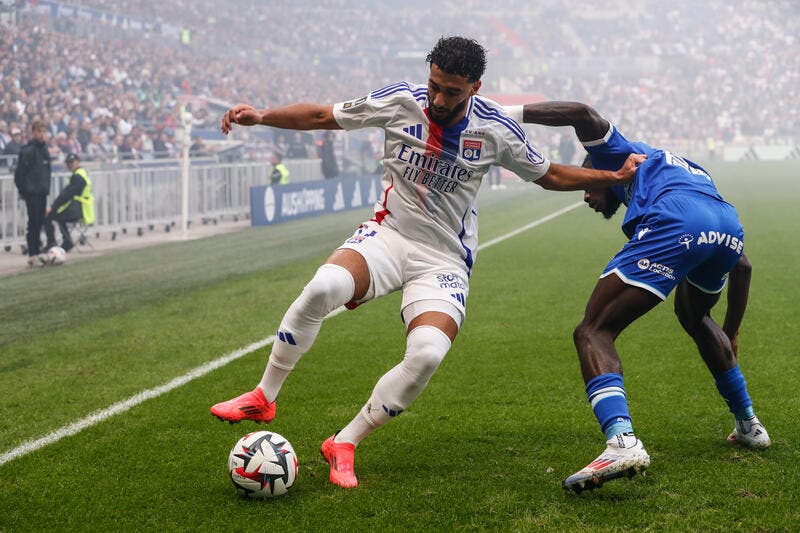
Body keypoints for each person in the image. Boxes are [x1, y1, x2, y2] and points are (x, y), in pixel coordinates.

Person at [211, 37, 642, 489]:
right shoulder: (400, 101)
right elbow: (323, 116)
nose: (438, 99)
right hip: (388, 236)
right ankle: (264, 395)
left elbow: (550, 174)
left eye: (451, 92)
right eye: (434, 85)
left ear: (475, 86)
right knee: (322, 287)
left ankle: (345, 442)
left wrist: (611, 177)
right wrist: (260, 116)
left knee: (427, 354)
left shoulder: (495, 129)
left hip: (443, 260)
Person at [511, 100, 770, 493]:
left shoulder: (620, 153)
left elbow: (582, 113)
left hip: (677, 221)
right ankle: (749, 423)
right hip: (726, 227)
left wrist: (500, 109)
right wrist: (732, 333)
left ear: (600, 169)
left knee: (593, 331)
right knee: (695, 317)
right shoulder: (678, 169)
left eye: (587, 181)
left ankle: (621, 442)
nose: (585, 193)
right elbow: (744, 267)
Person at [14, 120, 52, 266]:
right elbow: (19, 175)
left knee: (39, 222)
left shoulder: (45, 150)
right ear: (33, 132)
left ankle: (38, 251)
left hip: (42, 192)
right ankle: (33, 254)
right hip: (32, 193)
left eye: (44, 131)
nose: (42, 134)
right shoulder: (27, 151)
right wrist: (25, 191)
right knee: (34, 223)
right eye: (39, 131)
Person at [43, 153, 94, 253]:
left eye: (72, 162)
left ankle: (54, 243)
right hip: (79, 208)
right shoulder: (80, 174)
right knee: (56, 215)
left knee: (49, 216)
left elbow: (66, 196)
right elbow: (66, 194)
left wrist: (52, 208)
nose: (70, 165)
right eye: (68, 163)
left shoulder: (78, 176)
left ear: (77, 161)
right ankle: (65, 241)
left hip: (79, 209)